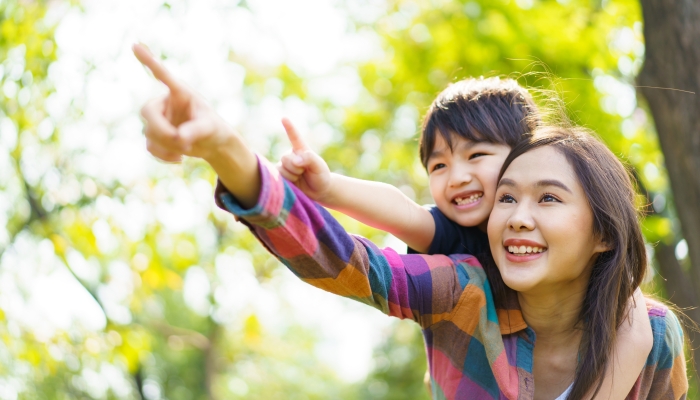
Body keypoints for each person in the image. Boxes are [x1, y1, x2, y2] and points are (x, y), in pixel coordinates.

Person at [133, 44, 685, 399]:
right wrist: (228, 151)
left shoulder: (652, 336)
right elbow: (354, 261)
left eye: (547, 199)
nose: (516, 217)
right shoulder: (461, 289)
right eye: (508, 199)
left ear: (605, 231)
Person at [276, 78, 654, 396]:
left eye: (476, 155)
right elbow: (405, 211)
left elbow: (633, 319)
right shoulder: (453, 236)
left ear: (526, 153)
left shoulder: (597, 274)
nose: (456, 177)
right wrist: (329, 189)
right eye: (438, 165)